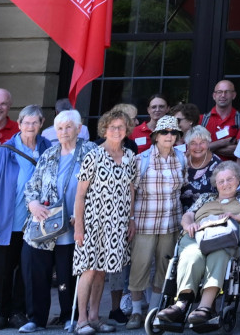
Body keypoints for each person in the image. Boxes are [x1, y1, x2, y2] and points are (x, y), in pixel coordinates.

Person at [154, 163, 240, 329]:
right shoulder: (205, 198)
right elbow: (188, 215)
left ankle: (204, 307)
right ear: (215, 184)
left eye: (230, 179)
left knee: (219, 254)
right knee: (191, 254)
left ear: (238, 180)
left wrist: (237, 216)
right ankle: (181, 304)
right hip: (198, 234)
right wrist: (188, 225)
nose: (225, 184)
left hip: (225, 237)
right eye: (221, 181)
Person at [0, 106, 47, 331]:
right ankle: (0, 313)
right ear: (19, 124)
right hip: (6, 223)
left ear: (41, 124)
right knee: (2, 271)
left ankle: (18, 312)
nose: (30, 127)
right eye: (26, 123)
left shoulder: (49, 148)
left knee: (26, 272)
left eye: (35, 123)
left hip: (35, 225)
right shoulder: (5, 151)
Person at [70, 110, 138, 335]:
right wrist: (79, 226)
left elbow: (130, 191)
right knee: (88, 269)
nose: (117, 131)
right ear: (104, 129)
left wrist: (130, 219)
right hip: (92, 221)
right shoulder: (93, 155)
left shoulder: (130, 156)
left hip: (117, 224)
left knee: (102, 271)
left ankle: (94, 317)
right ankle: (81, 320)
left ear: (127, 130)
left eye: (121, 127)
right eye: (112, 127)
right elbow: (80, 194)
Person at [23, 109, 88, 333]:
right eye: (59, 128)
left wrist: (82, 215)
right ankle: (36, 319)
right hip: (45, 225)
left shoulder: (90, 152)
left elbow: (100, 190)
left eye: (68, 127)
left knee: (67, 276)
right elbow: (31, 186)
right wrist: (33, 204)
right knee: (38, 274)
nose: (63, 132)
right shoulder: (49, 153)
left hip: (72, 227)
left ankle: (70, 316)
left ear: (79, 129)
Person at [127, 115, 183, 315]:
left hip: (171, 224)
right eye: (164, 132)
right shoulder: (141, 160)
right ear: (156, 136)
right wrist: (130, 219)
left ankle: (153, 311)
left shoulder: (181, 158)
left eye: (173, 132)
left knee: (164, 268)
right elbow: (131, 191)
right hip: (145, 223)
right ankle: (135, 312)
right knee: (139, 266)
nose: (169, 136)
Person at [201, 80, 240, 162]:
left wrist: (208, 147)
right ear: (214, 96)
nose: (223, 95)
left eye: (227, 92)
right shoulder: (202, 119)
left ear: (233, 95)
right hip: (206, 171)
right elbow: (196, 148)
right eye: (219, 92)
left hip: (231, 171)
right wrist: (225, 142)